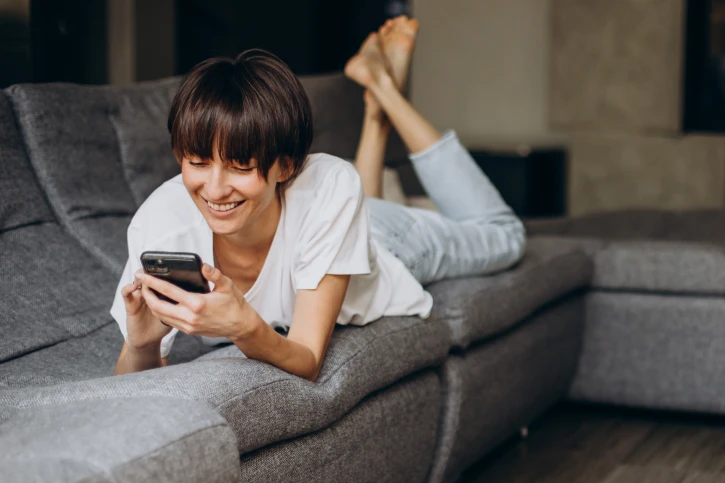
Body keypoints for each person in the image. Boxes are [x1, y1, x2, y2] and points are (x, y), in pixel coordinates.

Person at [111, 17, 525, 380]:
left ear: (285, 167)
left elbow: (307, 359)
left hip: (387, 244)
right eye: (198, 162)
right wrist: (142, 345)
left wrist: (243, 326)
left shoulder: (328, 188)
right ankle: (376, 116)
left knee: (506, 236)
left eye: (240, 167)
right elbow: (130, 386)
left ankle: (384, 89)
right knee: (349, 206)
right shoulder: (161, 223)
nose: (215, 190)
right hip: (333, 227)